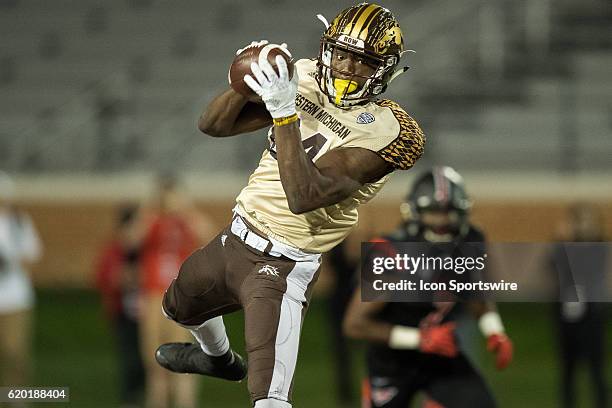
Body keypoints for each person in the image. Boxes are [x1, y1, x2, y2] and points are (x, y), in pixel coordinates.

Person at [155, 3, 426, 407]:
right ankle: (220, 360)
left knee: (270, 400)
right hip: (236, 234)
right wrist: (244, 80)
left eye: (363, 61)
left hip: (282, 266)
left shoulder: (389, 132)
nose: (348, 67)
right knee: (177, 308)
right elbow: (212, 125)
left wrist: (284, 112)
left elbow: (305, 196)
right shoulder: (304, 76)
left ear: (384, 69)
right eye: (342, 53)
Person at [343, 166, 513, 408]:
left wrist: (493, 329)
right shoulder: (392, 253)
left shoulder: (468, 241)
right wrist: (418, 339)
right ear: (414, 213)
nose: (442, 222)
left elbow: (476, 294)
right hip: (393, 360)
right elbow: (354, 325)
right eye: (433, 213)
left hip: (440, 352)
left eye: (448, 213)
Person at [137, 175, 216, 408]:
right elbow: (130, 239)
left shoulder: (187, 220)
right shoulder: (152, 220)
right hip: (153, 297)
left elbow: (210, 234)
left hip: (181, 299)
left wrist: (185, 209)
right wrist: (150, 209)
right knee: (156, 362)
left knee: (184, 365)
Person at [551, 203, 609, 408]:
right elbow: (554, 267)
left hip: (591, 314)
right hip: (567, 315)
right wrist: (560, 241)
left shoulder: (597, 249)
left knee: (596, 368)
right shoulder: (563, 249)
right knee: (568, 370)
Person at [95, 205, 145, 408]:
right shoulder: (114, 251)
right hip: (123, 314)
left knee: (149, 359)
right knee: (130, 358)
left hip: (148, 314)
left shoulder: (147, 250)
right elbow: (105, 278)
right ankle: (130, 399)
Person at [0, 172, 42, 397]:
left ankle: (16, 399)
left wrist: (10, 260)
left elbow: (33, 257)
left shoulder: (18, 223)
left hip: (15, 299)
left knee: (15, 355)